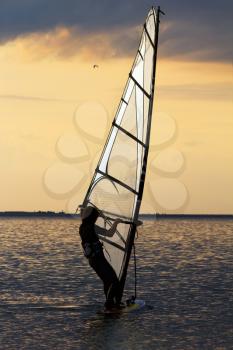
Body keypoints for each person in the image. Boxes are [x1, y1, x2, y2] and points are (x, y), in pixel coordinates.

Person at [79, 205, 123, 309]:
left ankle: (111, 303)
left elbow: (85, 214)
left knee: (107, 281)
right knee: (114, 281)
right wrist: (116, 222)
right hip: (98, 259)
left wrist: (88, 210)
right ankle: (109, 303)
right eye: (96, 216)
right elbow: (110, 233)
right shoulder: (92, 227)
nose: (97, 218)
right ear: (92, 217)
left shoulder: (82, 227)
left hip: (92, 260)